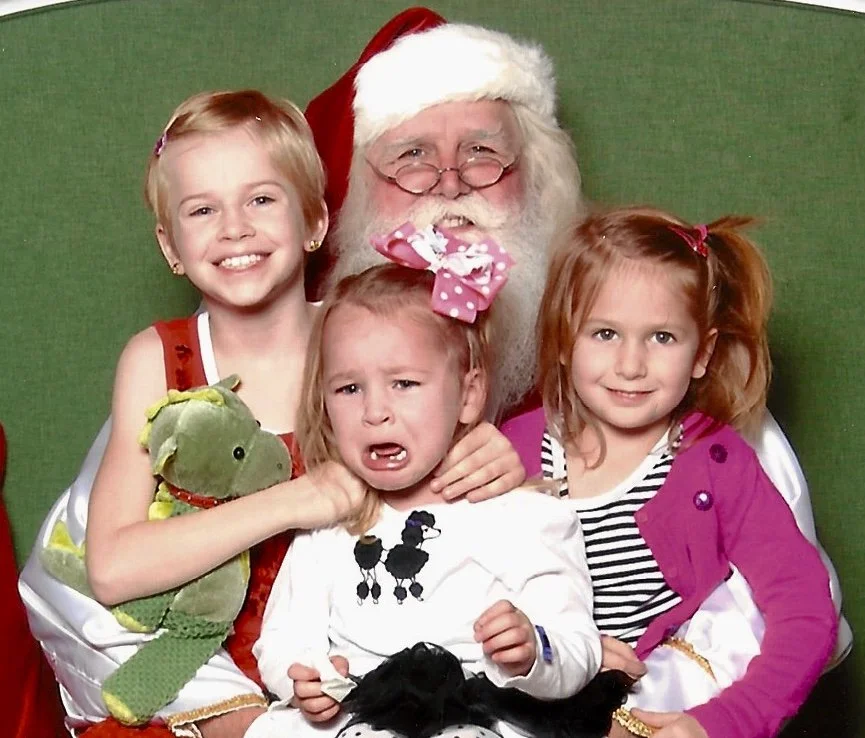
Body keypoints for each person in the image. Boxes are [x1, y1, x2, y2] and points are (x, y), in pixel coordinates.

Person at [304, 6, 850, 663]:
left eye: (483, 153)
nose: (449, 184)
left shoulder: (638, 358)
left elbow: (768, 612)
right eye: (411, 157)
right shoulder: (307, 364)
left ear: (537, 178)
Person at [19, 89, 519, 738]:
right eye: (203, 209)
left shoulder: (362, 338)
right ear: (170, 247)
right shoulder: (159, 359)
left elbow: (430, 465)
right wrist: (290, 501)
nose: (234, 228)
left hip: (351, 644)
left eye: (261, 199)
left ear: (314, 221)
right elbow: (112, 571)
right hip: (201, 667)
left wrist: (486, 454)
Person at [248, 255, 603, 738]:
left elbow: (577, 643)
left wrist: (531, 648)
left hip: (475, 713)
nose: (375, 411)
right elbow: (282, 639)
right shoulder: (329, 526)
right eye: (349, 388)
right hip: (358, 716)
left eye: (404, 384)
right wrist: (304, 675)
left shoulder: (519, 517)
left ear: (468, 395)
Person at [520, 206, 837, 738]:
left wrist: (722, 722)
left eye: (661, 337)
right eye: (604, 333)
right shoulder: (515, 450)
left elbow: (806, 611)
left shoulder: (715, 462)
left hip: (654, 704)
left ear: (702, 353)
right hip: (532, 697)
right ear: (563, 336)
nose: (630, 364)